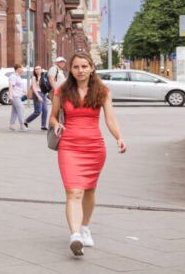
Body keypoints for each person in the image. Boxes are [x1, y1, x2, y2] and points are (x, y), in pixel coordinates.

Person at [48, 51, 127, 257]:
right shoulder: (62, 90)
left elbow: (110, 119)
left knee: (89, 191)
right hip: (69, 146)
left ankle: (84, 227)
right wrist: (56, 125)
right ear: (71, 69)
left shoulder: (102, 91)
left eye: (84, 66)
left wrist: (119, 137)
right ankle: (75, 236)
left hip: (94, 147)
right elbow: (53, 117)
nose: (80, 70)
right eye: (76, 67)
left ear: (92, 68)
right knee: (73, 192)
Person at [23, 65, 47, 130]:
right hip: (37, 94)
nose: (37, 70)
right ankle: (26, 121)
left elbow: (45, 86)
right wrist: (38, 96)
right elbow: (34, 88)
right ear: (34, 71)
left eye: (39, 69)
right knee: (38, 111)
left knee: (45, 110)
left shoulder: (44, 76)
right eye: (36, 69)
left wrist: (46, 96)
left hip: (44, 94)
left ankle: (43, 126)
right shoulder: (34, 77)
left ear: (41, 69)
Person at [7, 64, 27, 131]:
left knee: (15, 111)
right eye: (22, 68)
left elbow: (18, 86)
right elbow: (11, 86)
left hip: (18, 96)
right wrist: (10, 95)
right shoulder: (13, 76)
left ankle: (11, 126)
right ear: (18, 69)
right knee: (21, 109)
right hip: (15, 96)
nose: (23, 70)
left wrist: (24, 91)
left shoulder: (18, 76)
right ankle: (22, 125)